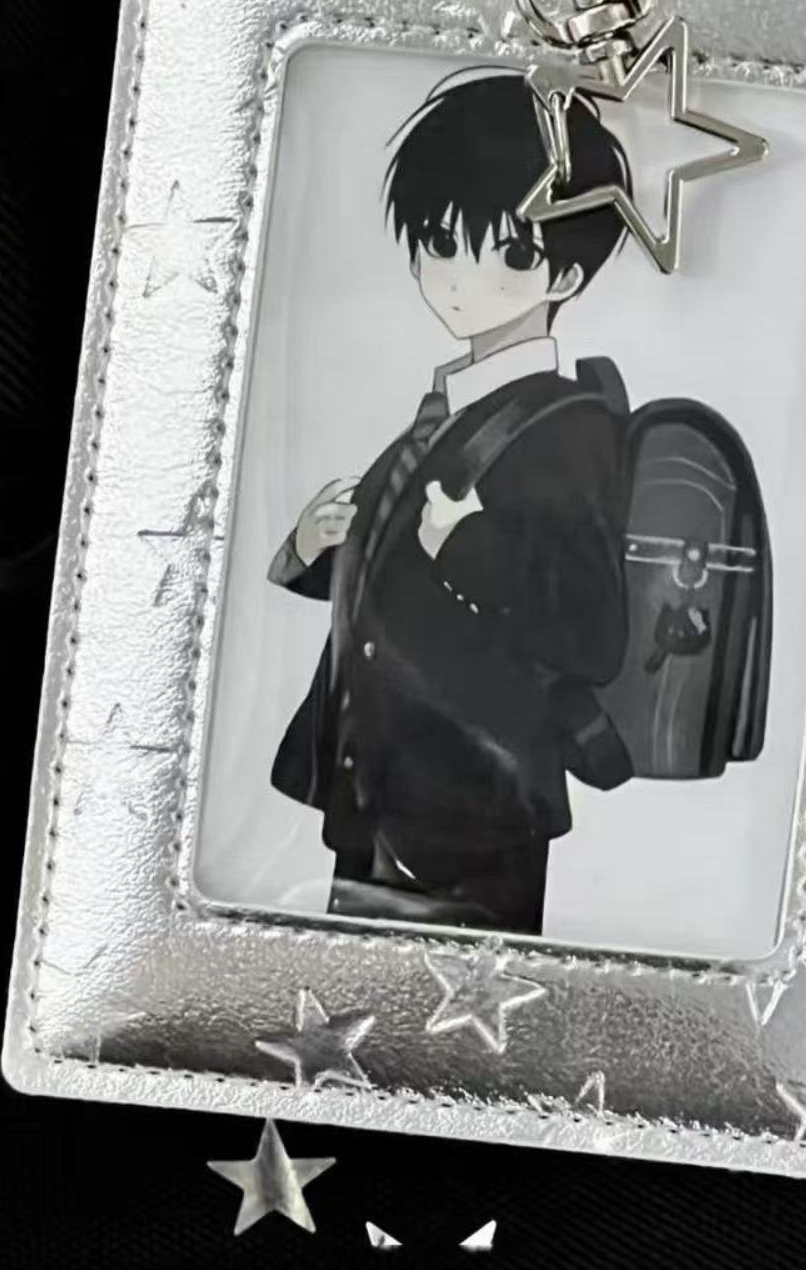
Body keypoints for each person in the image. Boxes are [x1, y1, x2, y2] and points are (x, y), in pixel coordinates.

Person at [267, 69, 634, 934]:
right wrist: (311, 548)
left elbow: (593, 634)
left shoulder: (567, 429)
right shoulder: (449, 412)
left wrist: (469, 549)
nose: (461, 277)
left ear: (565, 274)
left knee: (454, 1002)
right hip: (382, 786)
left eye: (511, 254)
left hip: (474, 805)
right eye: (439, 240)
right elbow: (392, 573)